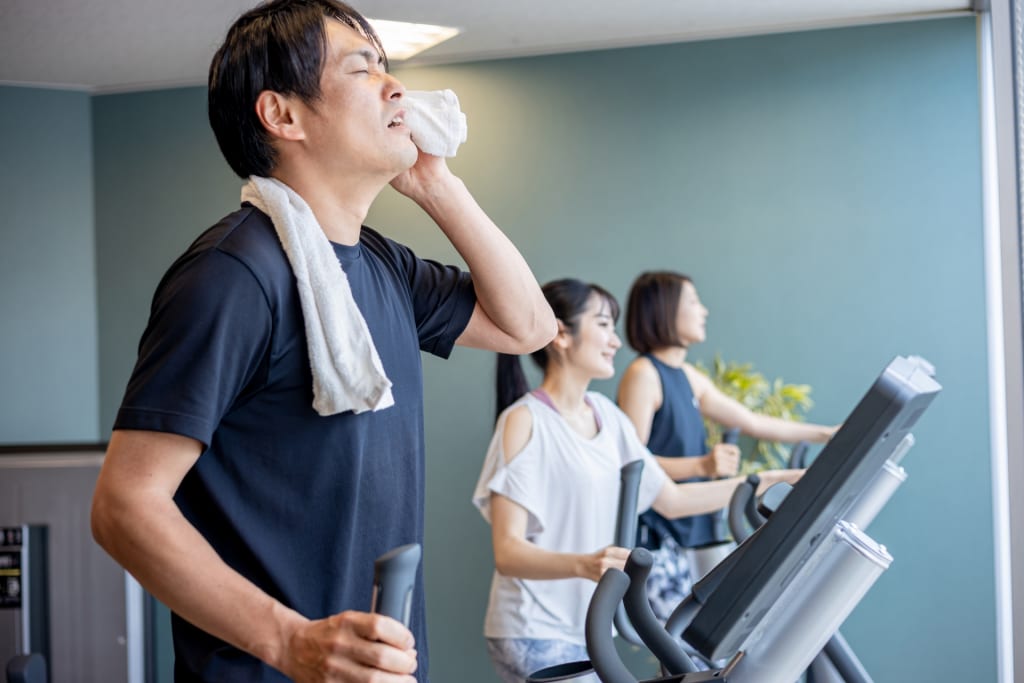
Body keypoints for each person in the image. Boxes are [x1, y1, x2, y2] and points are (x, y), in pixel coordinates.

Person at [89, 2, 556, 682]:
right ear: (283, 115)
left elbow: (529, 326)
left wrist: (435, 183)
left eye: (388, 67)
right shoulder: (233, 274)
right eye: (363, 68)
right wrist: (289, 641)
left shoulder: (382, 264)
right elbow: (123, 507)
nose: (396, 87)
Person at [472, 279, 801, 683]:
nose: (615, 341)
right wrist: (586, 563)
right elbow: (508, 552)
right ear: (561, 334)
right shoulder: (525, 421)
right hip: (534, 630)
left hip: (589, 631)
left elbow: (673, 499)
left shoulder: (608, 417)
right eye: (604, 325)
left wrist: (769, 480)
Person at [616, 270, 837, 620]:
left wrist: (826, 433)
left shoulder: (688, 376)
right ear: (664, 309)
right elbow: (631, 466)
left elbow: (753, 422)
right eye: (693, 301)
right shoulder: (644, 374)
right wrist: (701, 466)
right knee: (693, 648)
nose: (703, 310)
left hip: (695, 533)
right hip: (662, 539)